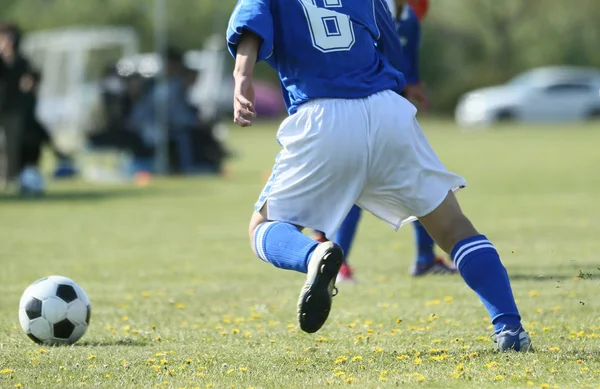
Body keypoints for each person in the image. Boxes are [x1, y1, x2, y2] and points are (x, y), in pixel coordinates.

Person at [227, 0, 532, 351]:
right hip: (387, 112)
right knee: (454, 228)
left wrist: (242, 79)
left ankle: (314, 255)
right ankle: (509, 328)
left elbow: (249, 28)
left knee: (262, 228)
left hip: (322, 116)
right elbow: (392, 47)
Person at [317, 0, 455, 282]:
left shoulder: (411, 19)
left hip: (392, 115)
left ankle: (424, 258)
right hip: (359, 112)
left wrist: (414, 89)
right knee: (355, 186)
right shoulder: (365, 8)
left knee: (421, 182)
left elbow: (408, 67)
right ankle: (333, 256)